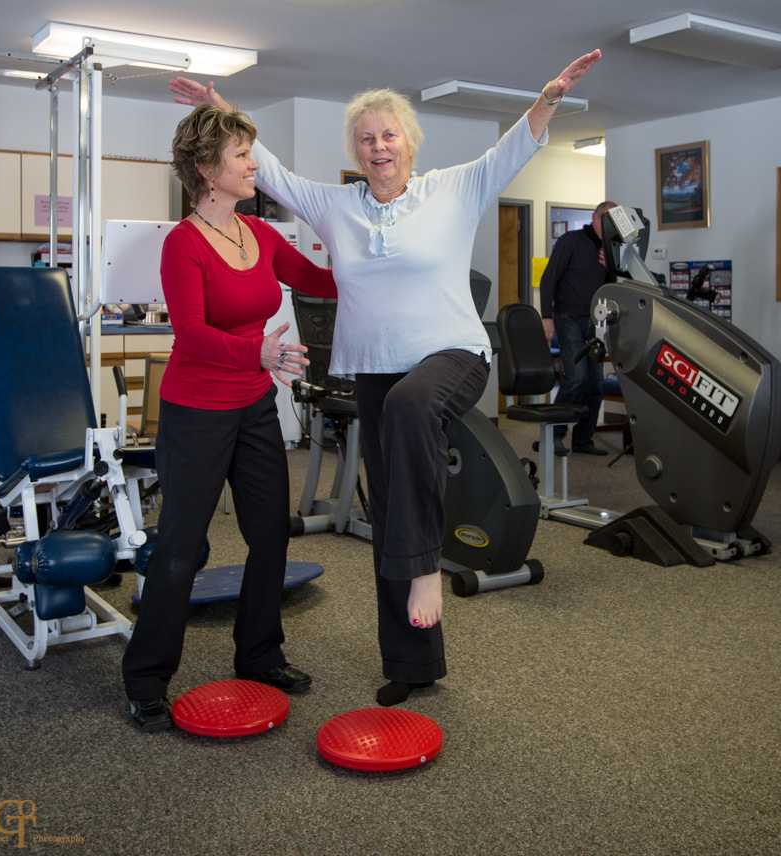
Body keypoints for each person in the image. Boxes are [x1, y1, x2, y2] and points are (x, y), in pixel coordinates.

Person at [171, 49, 601, 707]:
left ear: (410, 143)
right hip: (373, 367)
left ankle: (427, 569)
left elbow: (513, 151)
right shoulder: (334, 205)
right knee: (391, 497)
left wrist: (548, 98)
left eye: (389, 135)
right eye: (366, 138)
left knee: (408, 409)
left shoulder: (453, 188)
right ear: (356, 149)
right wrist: (222, 113)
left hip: (452, 354)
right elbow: (273, 172)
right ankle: (412, 664)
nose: (378, 147)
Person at [122, 104, 337, 731]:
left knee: (271, 532)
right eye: (242, 155)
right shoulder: (182, 244)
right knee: (181, 549)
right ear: (206, 170)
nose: (253, 165)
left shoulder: (263, 235)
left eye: (251, 153)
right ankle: (146, 677)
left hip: (252, 405)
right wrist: (259, 351)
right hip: (194, 411)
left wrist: (379, 255)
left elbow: (321, 280)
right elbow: (188, 334)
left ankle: (260, 654)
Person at [539, 200, 617, 456]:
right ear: (595, 217)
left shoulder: (610, 249)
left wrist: (611, 269)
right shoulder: (570, 241)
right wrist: (546, 317)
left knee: (595, 383)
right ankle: (553, 435)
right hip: (568, 317)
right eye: (605, 220)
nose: (609, 226)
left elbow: (613, 288)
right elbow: (548, 277)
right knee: (576, 377)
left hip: (597, 322)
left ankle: (583, 440)